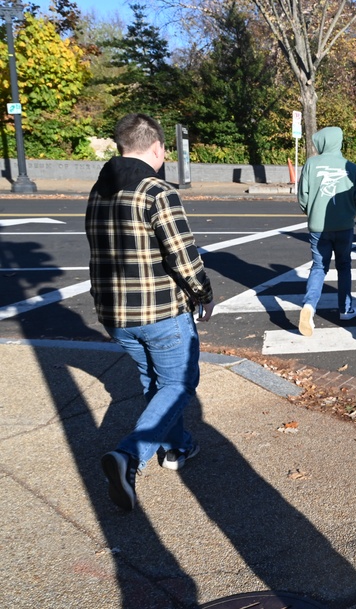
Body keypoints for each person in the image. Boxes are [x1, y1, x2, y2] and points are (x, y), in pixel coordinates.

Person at [86, 113, 216, 511]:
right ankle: (129, 455)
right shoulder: (156, 190)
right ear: (157, 148)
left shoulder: (98, 190)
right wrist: (203, 293)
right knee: (179, 383)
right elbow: (182, 254)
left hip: (115, 314)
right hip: (160, 310)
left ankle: (178, 446)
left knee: (155, 386)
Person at [297, 126, 356, 336]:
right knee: (344, 266)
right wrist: (350, 213)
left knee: (318, 267)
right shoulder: (351, 167)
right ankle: (345, 308)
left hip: (318, 227)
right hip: (344, 226)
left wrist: (312, 211)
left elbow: (303, 196)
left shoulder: (311, 164)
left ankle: (309, 306)